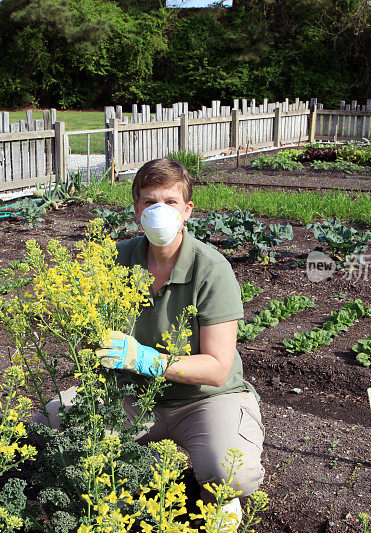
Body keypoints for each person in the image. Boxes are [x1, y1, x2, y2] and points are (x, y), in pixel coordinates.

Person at [95, 158, 265, 529]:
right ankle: (121, 490)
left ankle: (215, 500)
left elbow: (217, 368)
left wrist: (145, 359)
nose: (159, 211)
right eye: (149, 201)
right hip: (135, 395)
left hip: (203, 399)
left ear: (187, 210)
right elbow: (92, 336)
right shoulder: (116, 259)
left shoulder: (212, 268)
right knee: (56, 421)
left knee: (231, 471)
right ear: (136, 208)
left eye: (170, 202)